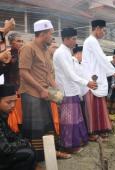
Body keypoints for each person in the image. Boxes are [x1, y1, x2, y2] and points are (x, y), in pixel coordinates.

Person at [19, 20, 69, 161]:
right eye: (50, 34)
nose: (52, 37)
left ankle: (51, 154)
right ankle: (34, 158)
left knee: (47, 125)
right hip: (31, 93)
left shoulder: (45, 50)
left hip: (44, 93)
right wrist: (40, 89)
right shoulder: (28, 48)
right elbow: (23, 72)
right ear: (43, 33)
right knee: (35, 128)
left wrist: (55, 87)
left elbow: (47, 73)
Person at [82, 19, 115, 141]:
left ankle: (100, 131)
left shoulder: (93, 41)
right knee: (94, 106)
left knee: (99, 106)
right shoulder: (91, 41)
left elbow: (100, 61)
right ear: (97, 29)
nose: (104, 33)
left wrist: (113, 72)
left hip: (97, 76)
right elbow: (102, 59)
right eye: (104, 30)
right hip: (93, 78)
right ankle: (93, 132)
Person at [53, 28, 95, 152]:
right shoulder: (61, 53)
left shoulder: (67, 51)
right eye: (73, 39)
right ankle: (69, 146)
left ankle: (78, 142)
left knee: (76, 119)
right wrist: (87, 82)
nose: (75, 41)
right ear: (65, 39)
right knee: (68, 121)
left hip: (72, 90)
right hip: (66, 91)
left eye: (76, 38)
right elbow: (70, 74)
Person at [0, 84, 36, 170]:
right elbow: (6, 148)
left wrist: (25, 141)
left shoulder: (3, 115)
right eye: (8, 102)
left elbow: (10, 135)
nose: (13, 105)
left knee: (27, 144)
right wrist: (24, 143)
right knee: (28, 154)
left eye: (15, 101)